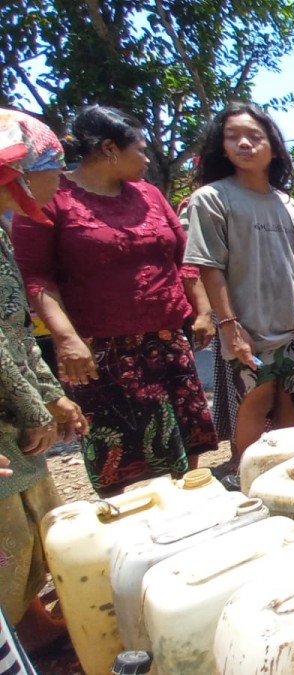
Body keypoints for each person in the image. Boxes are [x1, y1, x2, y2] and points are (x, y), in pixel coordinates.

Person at [13, 106, 217, 496]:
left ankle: (187, 511)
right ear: (109, 149)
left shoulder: (150, 194)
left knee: (186, 444)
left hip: (167, 342)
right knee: (120, 458)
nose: (147, 158)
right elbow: (35, 276)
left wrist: (202, 309)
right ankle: (133, 524)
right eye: (140, 149)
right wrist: (66, 338)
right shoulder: (52, 196)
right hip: (98, 353)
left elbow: (183, 257)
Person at [185, 102, 294, 470]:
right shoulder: (211, 199)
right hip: (249, 328)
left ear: (273, 147)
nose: (244, 143)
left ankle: (287, 478)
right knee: (255, 403)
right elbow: (209, 267)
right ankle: (250, 477)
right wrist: (229, 326)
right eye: (233, 137)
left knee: (293, 403)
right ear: (222, 146)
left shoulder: (290, 205)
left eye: (254, 136)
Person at [0, 108, 87, 656]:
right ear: (21, 171)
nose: (62, 175)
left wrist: (50, 395)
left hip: (15, 409)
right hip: (6, 416)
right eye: (56, 163)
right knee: (7, 537)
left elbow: (15, 333)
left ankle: (30, 626)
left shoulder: (1, 233)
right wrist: (34, 411)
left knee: (35, 524)